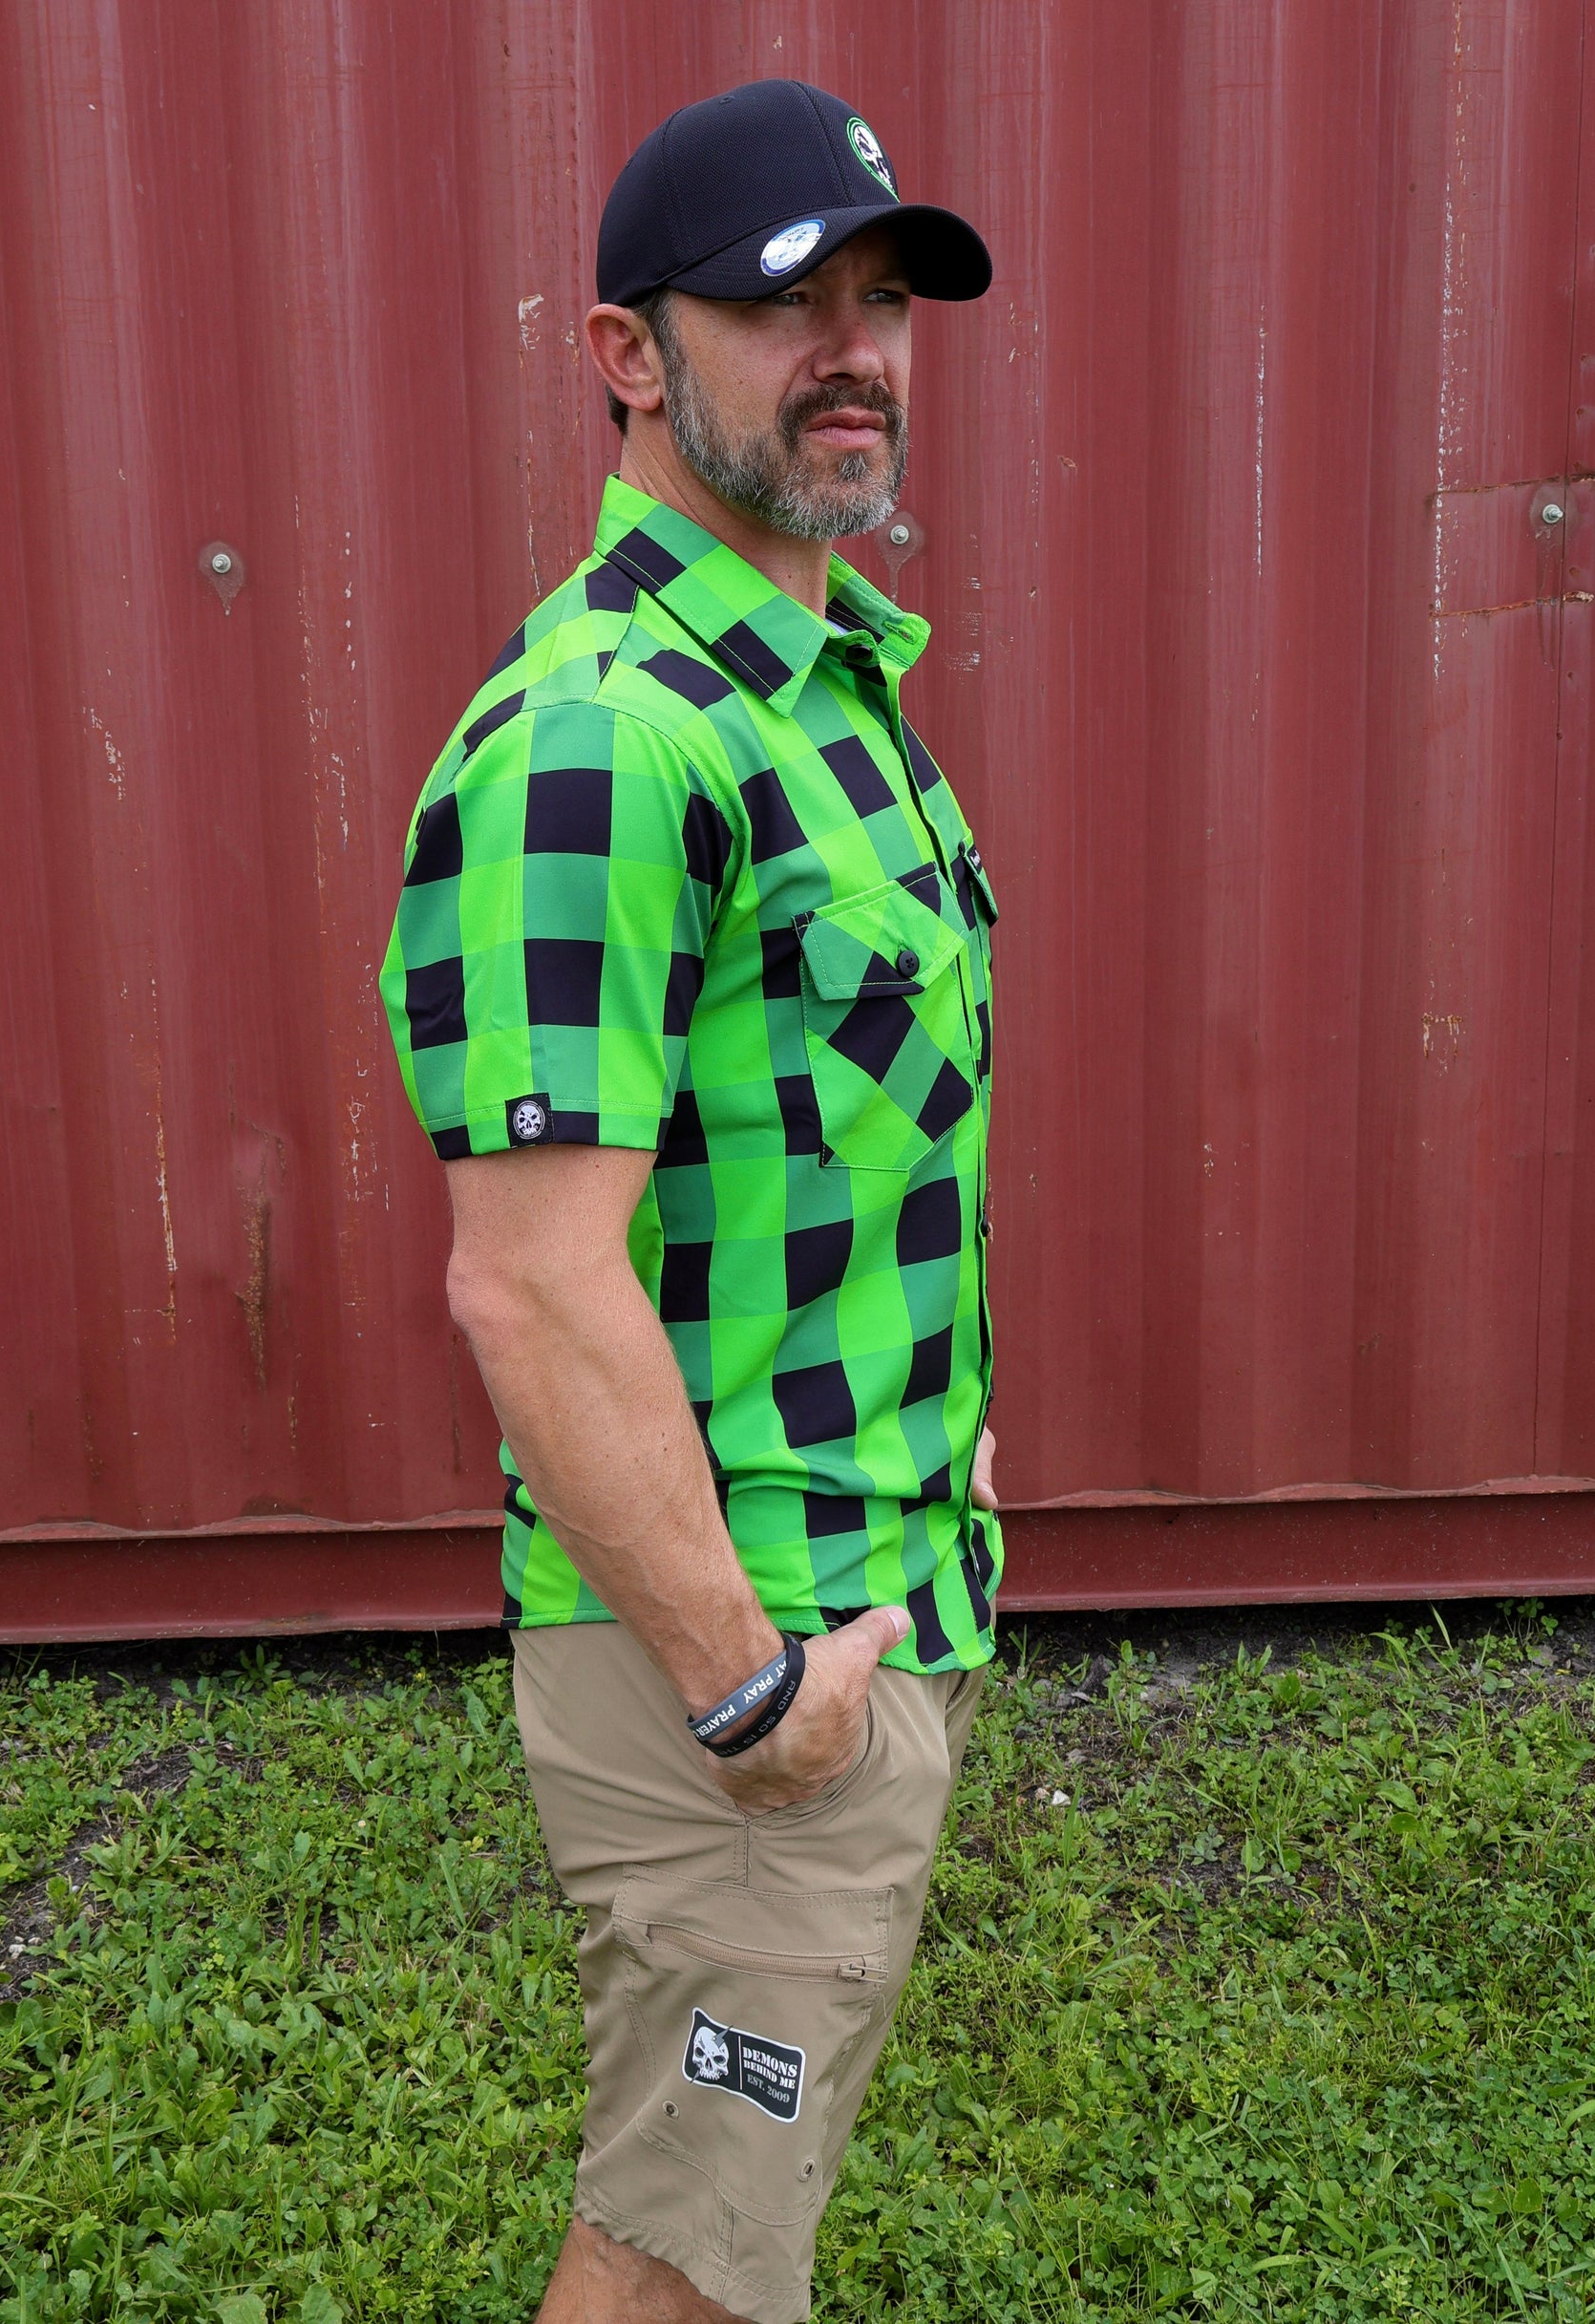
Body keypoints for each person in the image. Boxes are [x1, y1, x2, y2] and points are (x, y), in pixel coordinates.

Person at [380, 77, 999, 2324]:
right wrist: (749, 1696)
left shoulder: (820, 685)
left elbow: (849, 1141)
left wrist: (948, 1460)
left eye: (883, 299)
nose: (853, 352)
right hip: (730, 1662)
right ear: (624, 355)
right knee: (677, 2264)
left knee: (728, 2220)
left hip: (869, 1580)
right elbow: (530, 1285)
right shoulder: (599, 740)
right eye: (778, 304)